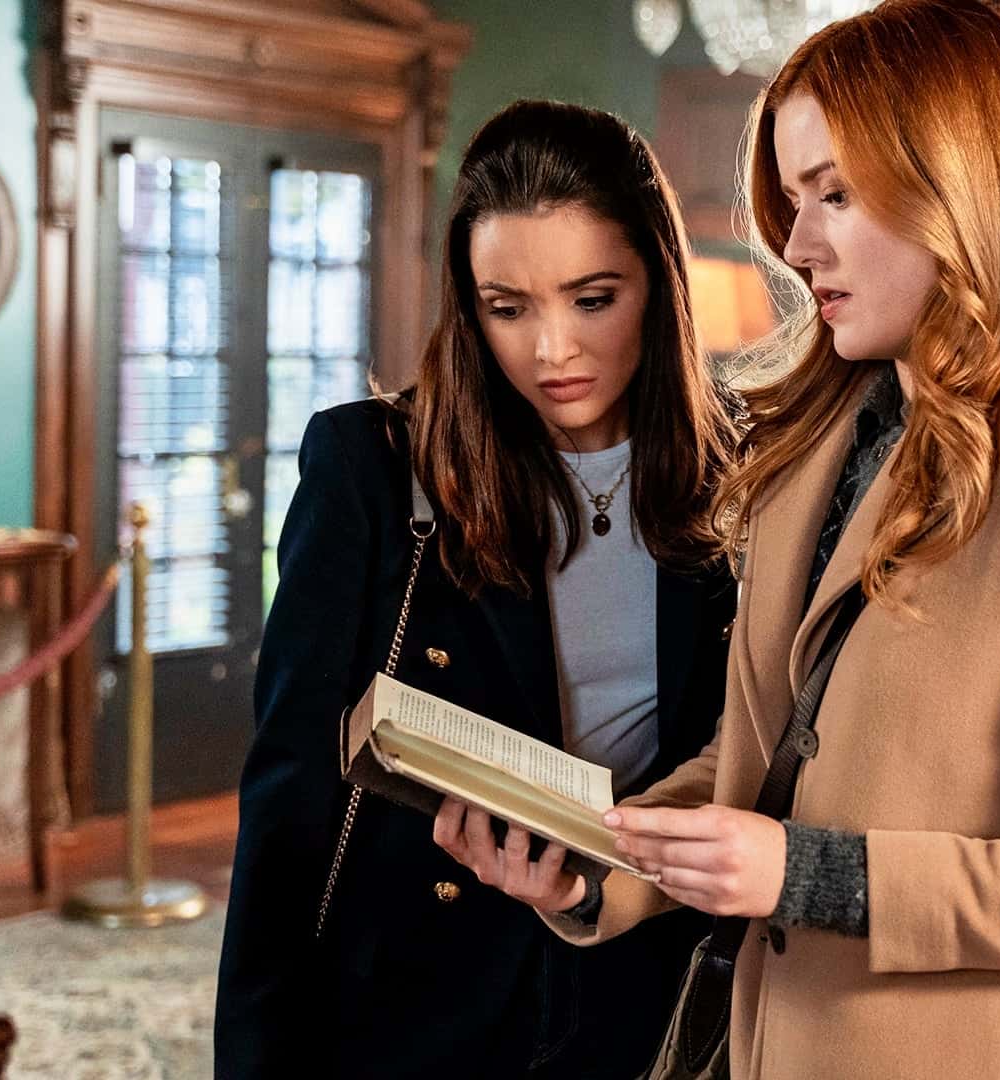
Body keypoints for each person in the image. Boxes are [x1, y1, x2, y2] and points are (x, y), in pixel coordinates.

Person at [437, 3, 1000, 1077]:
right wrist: (591, 871)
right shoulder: (819, 441)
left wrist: (810, 877)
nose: (798, 248)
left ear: (964, 189)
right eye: (794, 203)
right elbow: (754, 764)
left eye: (836, 196)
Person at [214, 99, 738, 1079]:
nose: (553, 351)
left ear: (659, 286)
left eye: (592, 299)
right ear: (468, 302)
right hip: (420, 1000)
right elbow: (288, 807)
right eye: (509, 308)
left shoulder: (744, 476)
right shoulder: (368, 467)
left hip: (639, 993)